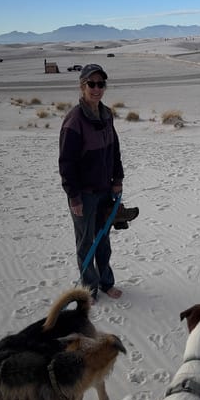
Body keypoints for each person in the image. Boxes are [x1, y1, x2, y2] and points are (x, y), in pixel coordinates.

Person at [59, 64, 128, 298]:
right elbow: (66, 163)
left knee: (103, 240)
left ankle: (106, 283)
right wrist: (74, 197)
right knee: (86, 242)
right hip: (84, 194)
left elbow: (114, 149)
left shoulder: (106, 114)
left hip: (105, 189)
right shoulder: (74, 121)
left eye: (100, 84)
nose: (96, 88)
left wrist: (117, 179)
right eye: (91, 84)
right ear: (82, 86)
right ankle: (89, 290)